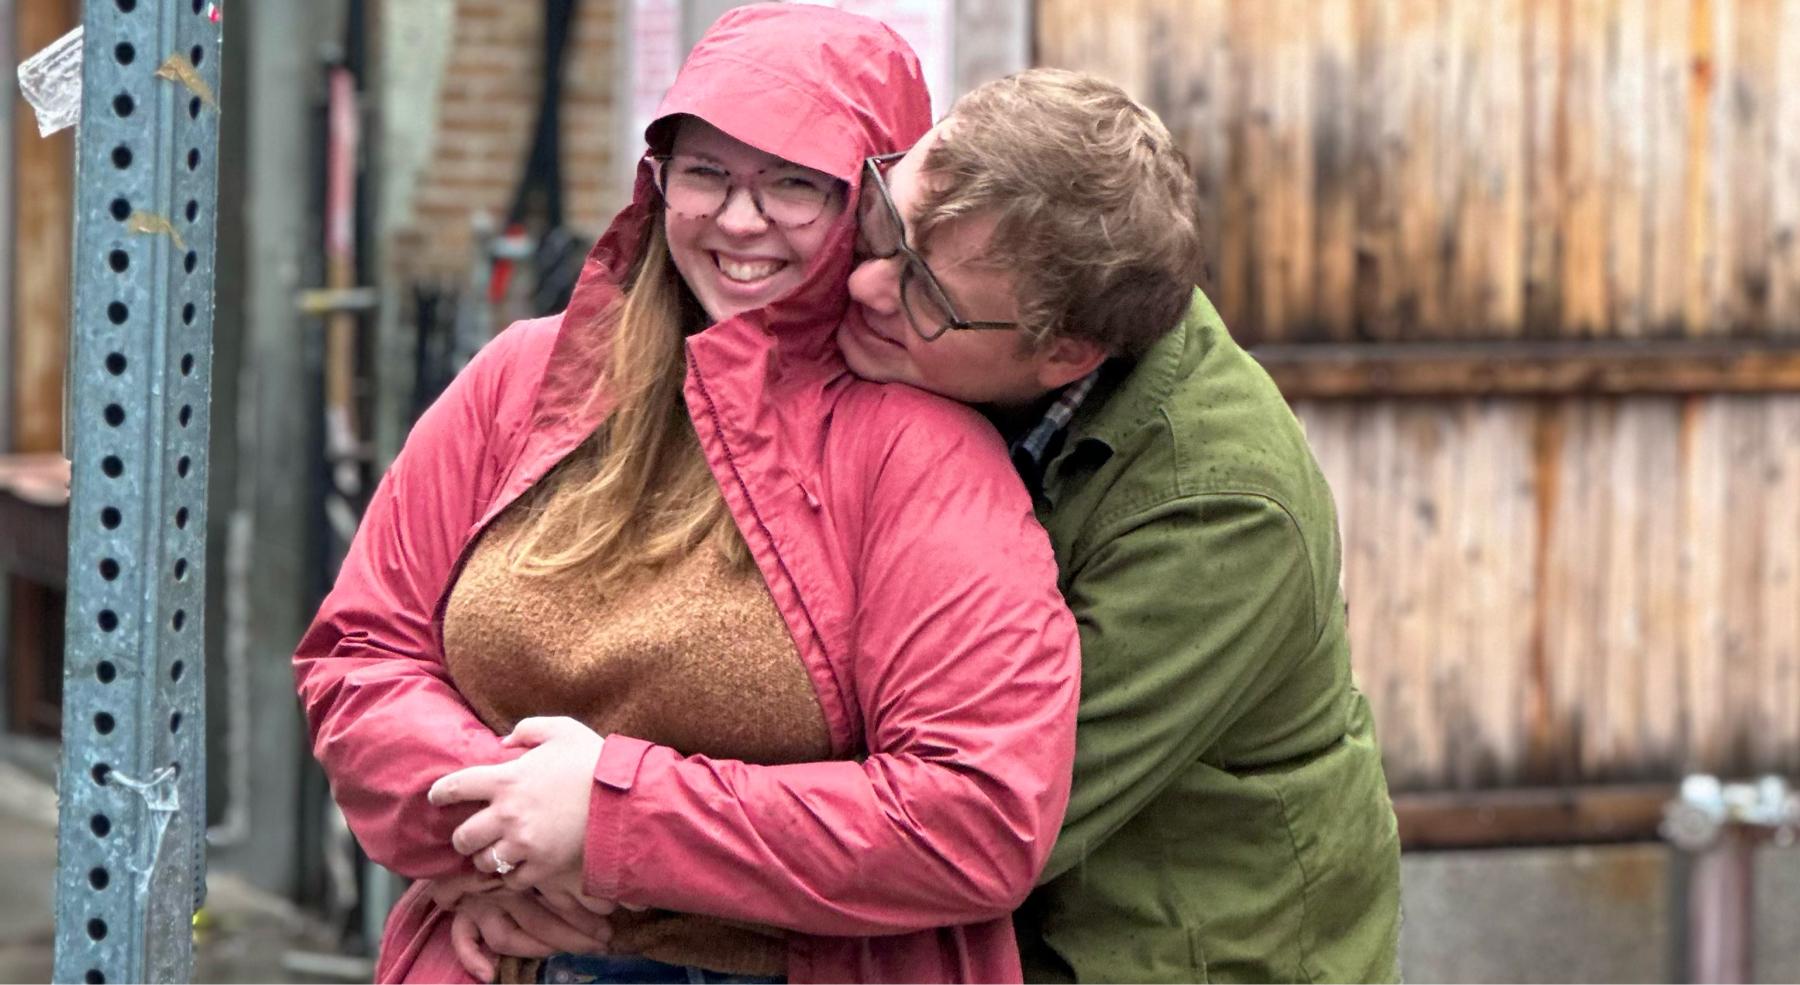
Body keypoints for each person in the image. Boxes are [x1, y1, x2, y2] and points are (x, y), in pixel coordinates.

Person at [292, 8, 1080, 984]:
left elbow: (975, 814)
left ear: (872, 204)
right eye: (706, 172)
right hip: (498, 954)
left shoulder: (921, 452)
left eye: (795, 182)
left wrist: (610, 819)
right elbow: (362, 654)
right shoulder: (524, 378)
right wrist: (499, 831)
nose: (740, 220)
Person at [835, 69, 1404, 983]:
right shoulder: (989, 331)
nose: (863, 282)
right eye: (884, 220)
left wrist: (628, 849)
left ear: (1065, 353)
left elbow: (980, 821)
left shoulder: (1222, 513)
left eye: (924, 293)